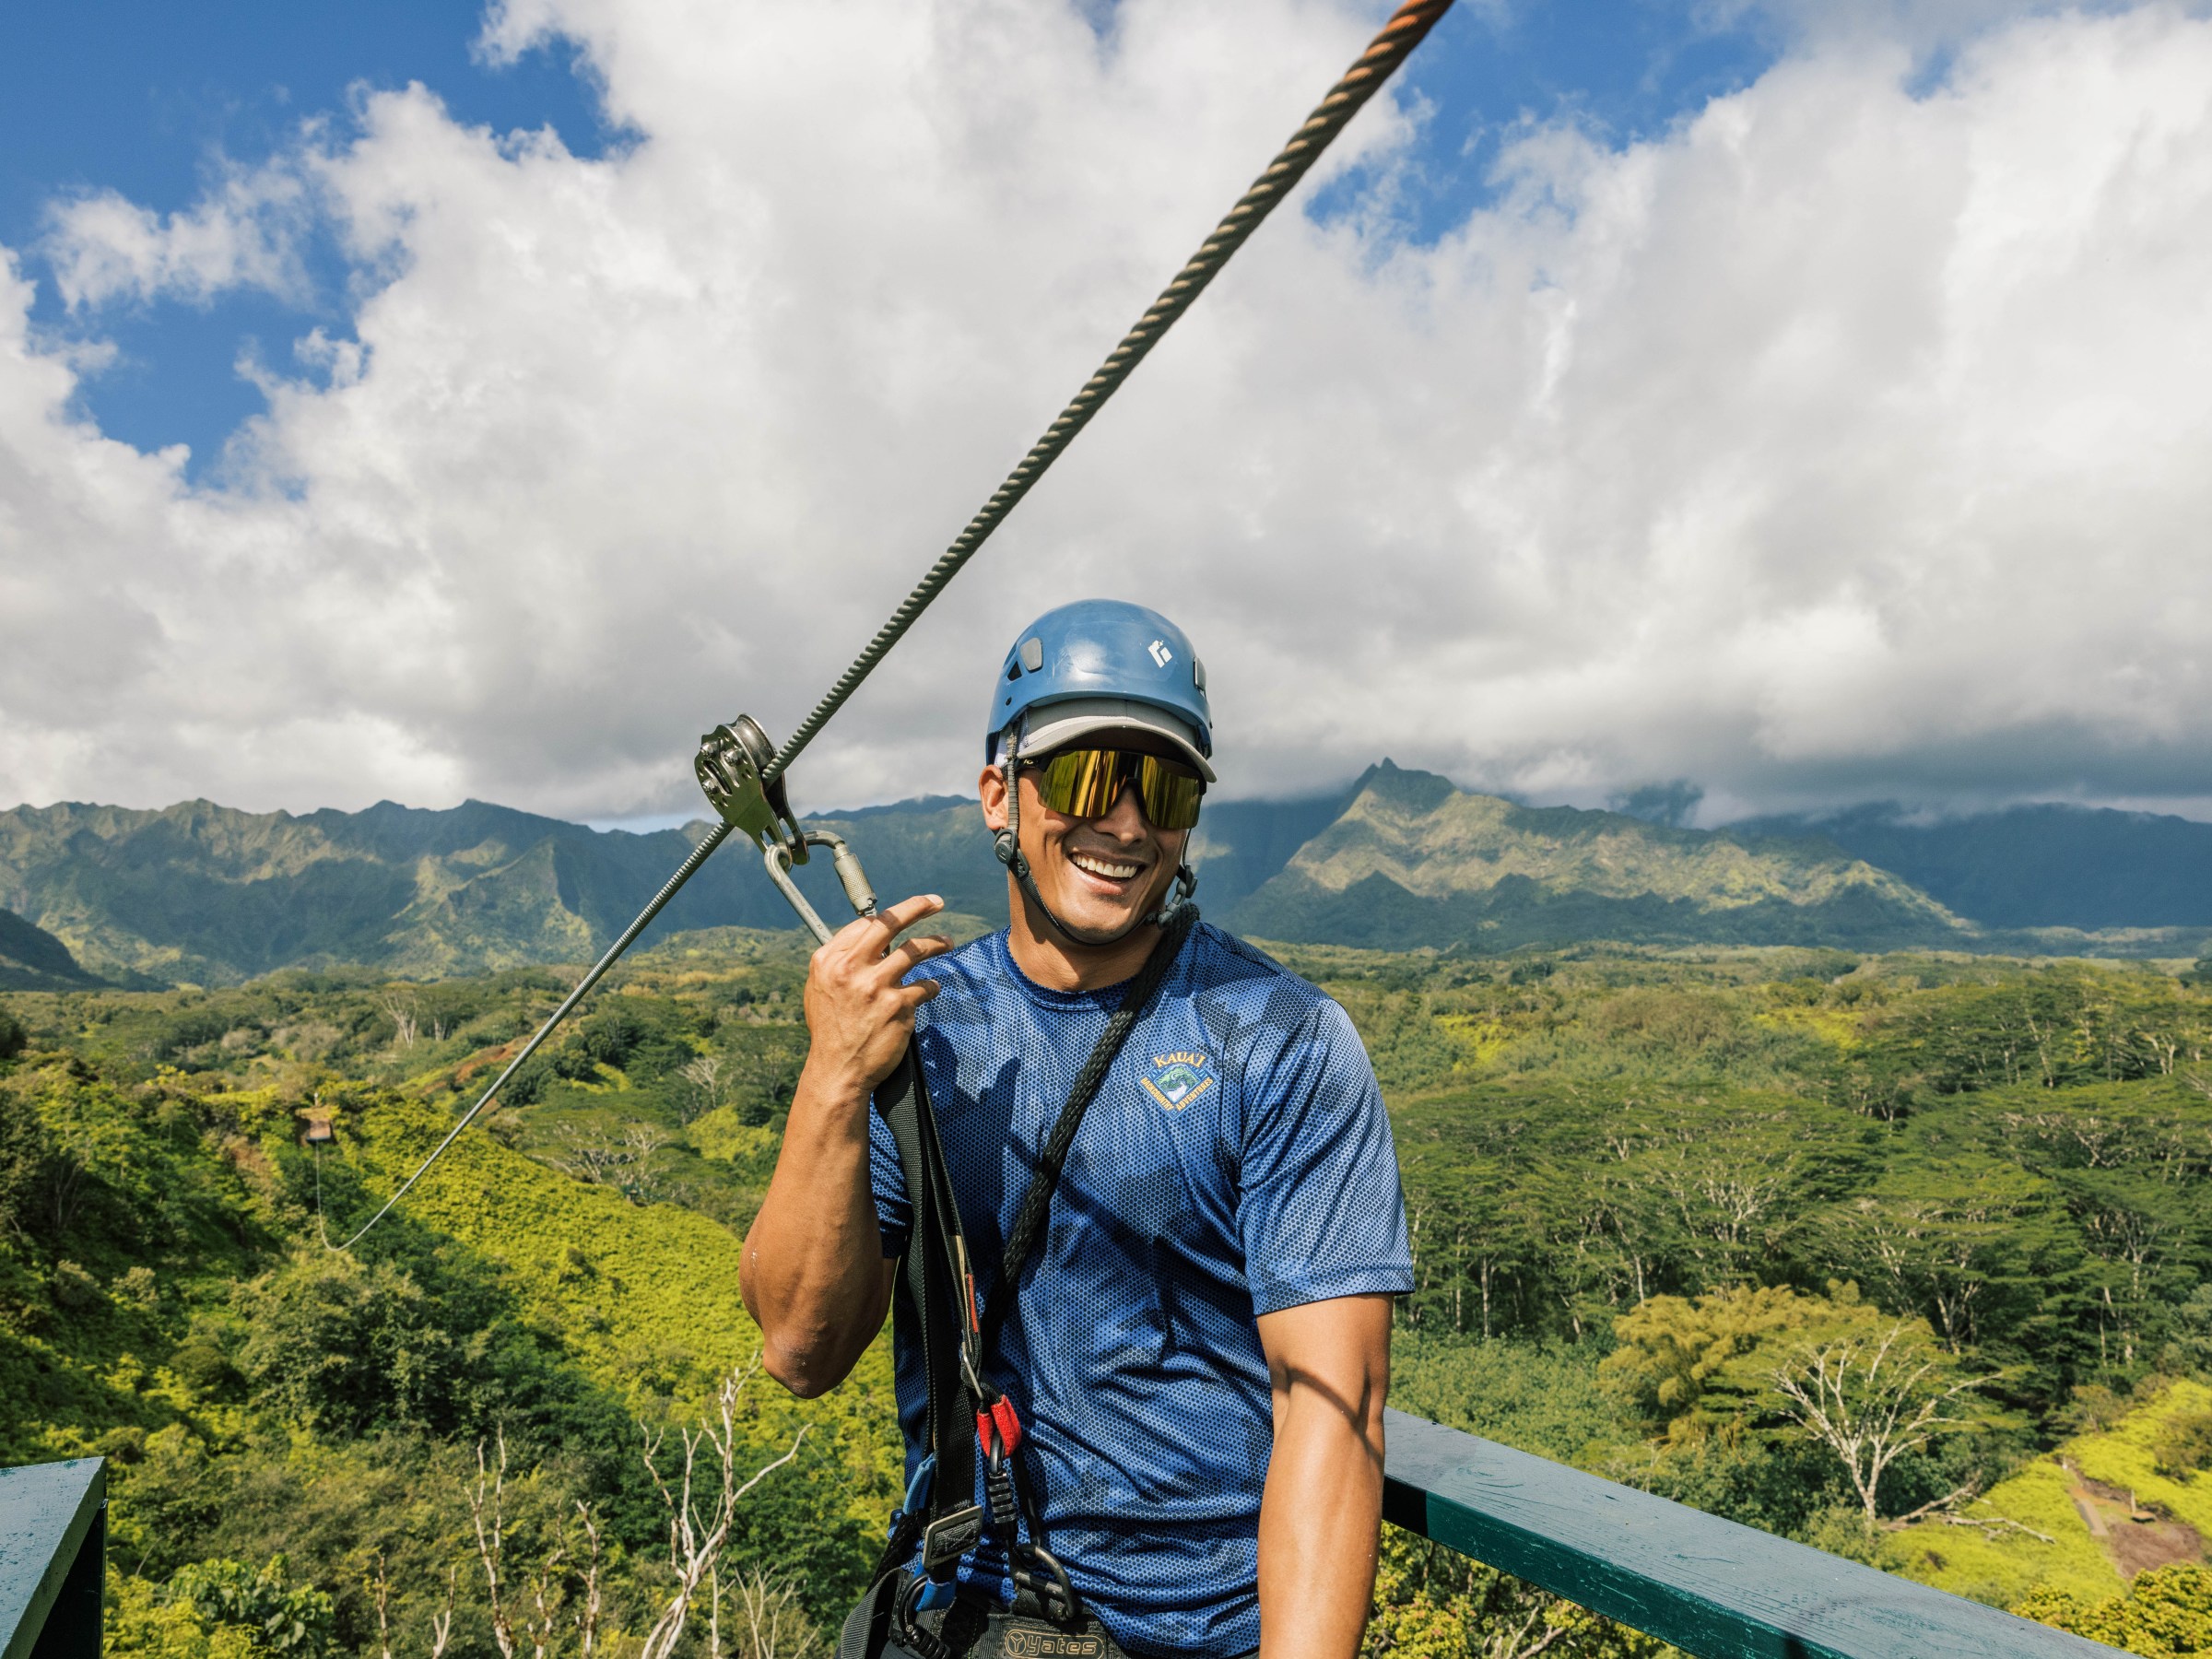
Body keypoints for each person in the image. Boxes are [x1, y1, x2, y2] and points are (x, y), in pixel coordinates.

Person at [740, 599, 1414, 1659]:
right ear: (1000, 797)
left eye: (1168, 786)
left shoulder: (1280, 1041)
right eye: (1091, 777)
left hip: (1199, 1628)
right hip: (968, 1598)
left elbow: (1334, 1408)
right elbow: (799, 1348)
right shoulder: (921, 1032)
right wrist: (832, 1078)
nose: (1130, 823)